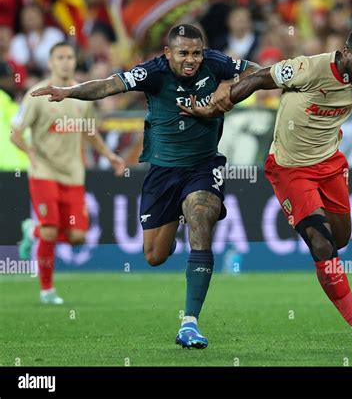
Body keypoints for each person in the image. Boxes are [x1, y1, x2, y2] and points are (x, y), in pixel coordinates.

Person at [30, 24, 259, 348]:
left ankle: (189, 323)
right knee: (154, 256)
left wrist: (230, 88)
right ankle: (180, 215)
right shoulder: (153, 72)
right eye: (183, 54)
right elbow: (110, 85)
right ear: (168, 53)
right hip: (163, 172)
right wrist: (70, 91)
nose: (191, 60)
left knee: (201, 212)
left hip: (203, 165)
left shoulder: (217, 63)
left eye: (196, 53)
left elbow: (258, 72)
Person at [179, 27, 352, 349]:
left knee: (340, 239)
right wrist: (216, 107)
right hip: (291, 169)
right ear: (345, 51)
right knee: (322, 245)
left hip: (331, 164)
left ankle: (317, 235)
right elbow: (258, 78)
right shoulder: (309, 68)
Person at [11, 41, 125, 305]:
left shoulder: (80, 96)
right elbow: (15, 132)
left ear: (75, 62)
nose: (65, 61)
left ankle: (33, 232)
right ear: (50, 62)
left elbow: (89, 133)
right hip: (44, 173)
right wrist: (30, 153)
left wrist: (110, 155)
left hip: (73, 175)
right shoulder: (35, 95)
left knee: (77, 237)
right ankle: (47, 289)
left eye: (69, 57)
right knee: (51, 230)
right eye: (59, 57)